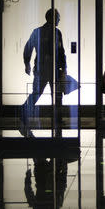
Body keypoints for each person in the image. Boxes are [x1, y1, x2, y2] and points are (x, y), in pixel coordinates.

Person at [20, 8, 67, 137]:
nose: (59, 19)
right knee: (56, 95)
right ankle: (57, 120)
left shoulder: (38, 32)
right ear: (53, 18)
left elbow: (28, 47)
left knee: (37, 94)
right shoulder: (56, 33)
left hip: (42, 69)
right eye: (58, 17)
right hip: (52, 69)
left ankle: (23, 112)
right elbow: (61, 52)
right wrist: (64, 68)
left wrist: (27, 62)